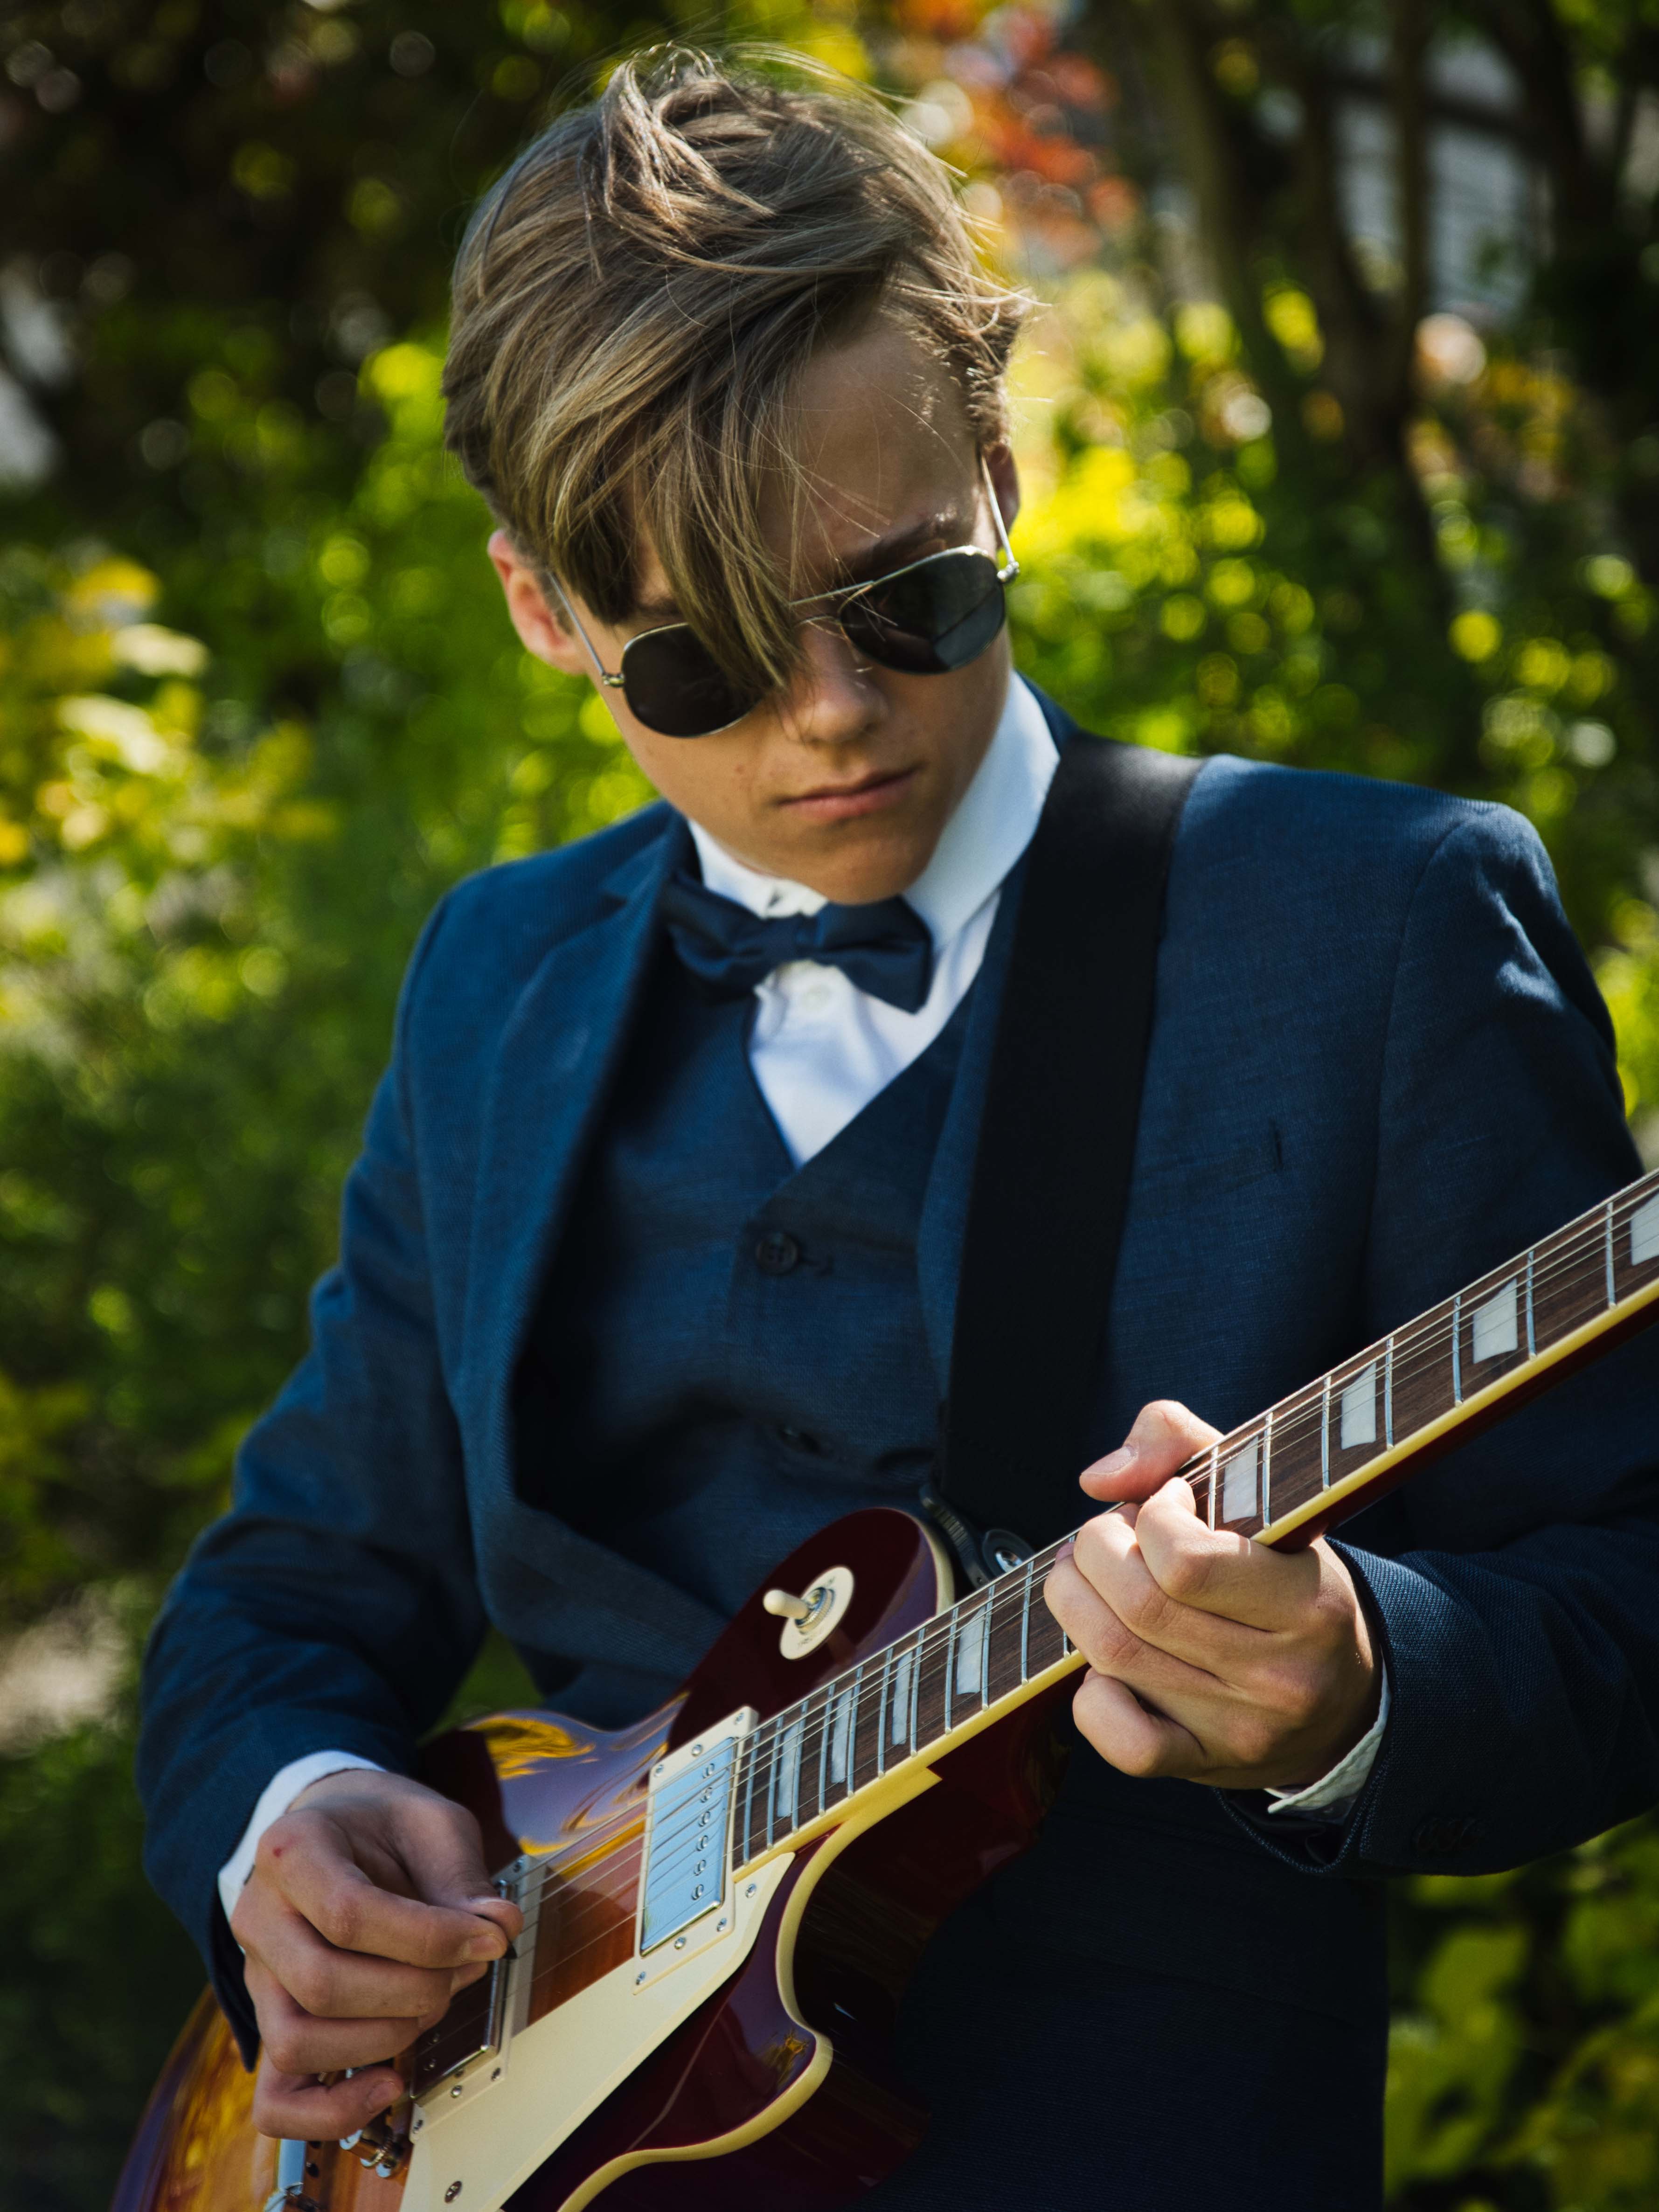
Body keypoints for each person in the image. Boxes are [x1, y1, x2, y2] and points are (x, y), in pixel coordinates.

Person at [137, 48, 1659, 2212]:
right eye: (703, 664)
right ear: (542, 612)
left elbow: (1623, 1589)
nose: (833, 713)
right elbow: (297, 1578)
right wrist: (287, 1815)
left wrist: (1351, 1680)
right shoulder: (495, 980)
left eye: (905, 599)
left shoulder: (1375, 928)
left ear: (999, 472)